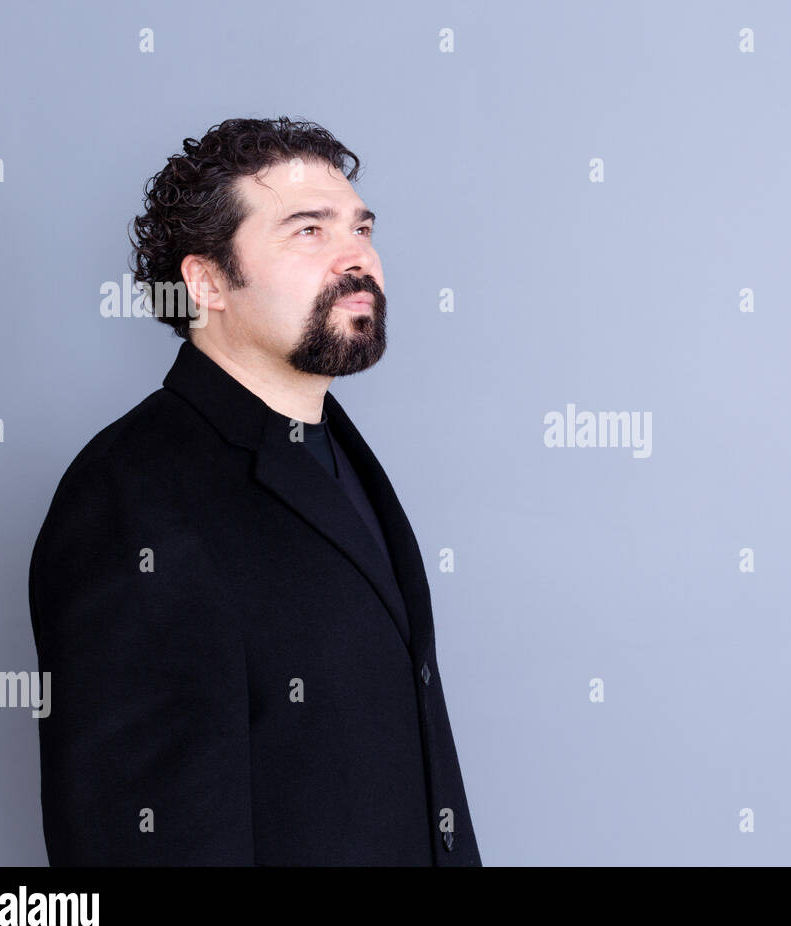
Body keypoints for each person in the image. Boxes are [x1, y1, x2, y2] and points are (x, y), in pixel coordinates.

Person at [27, 117, 481, 866]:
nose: (357, 256)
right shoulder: (128, 497)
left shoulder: (337, 450)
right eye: (309, 231)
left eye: (360, 227)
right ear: (205, 282)